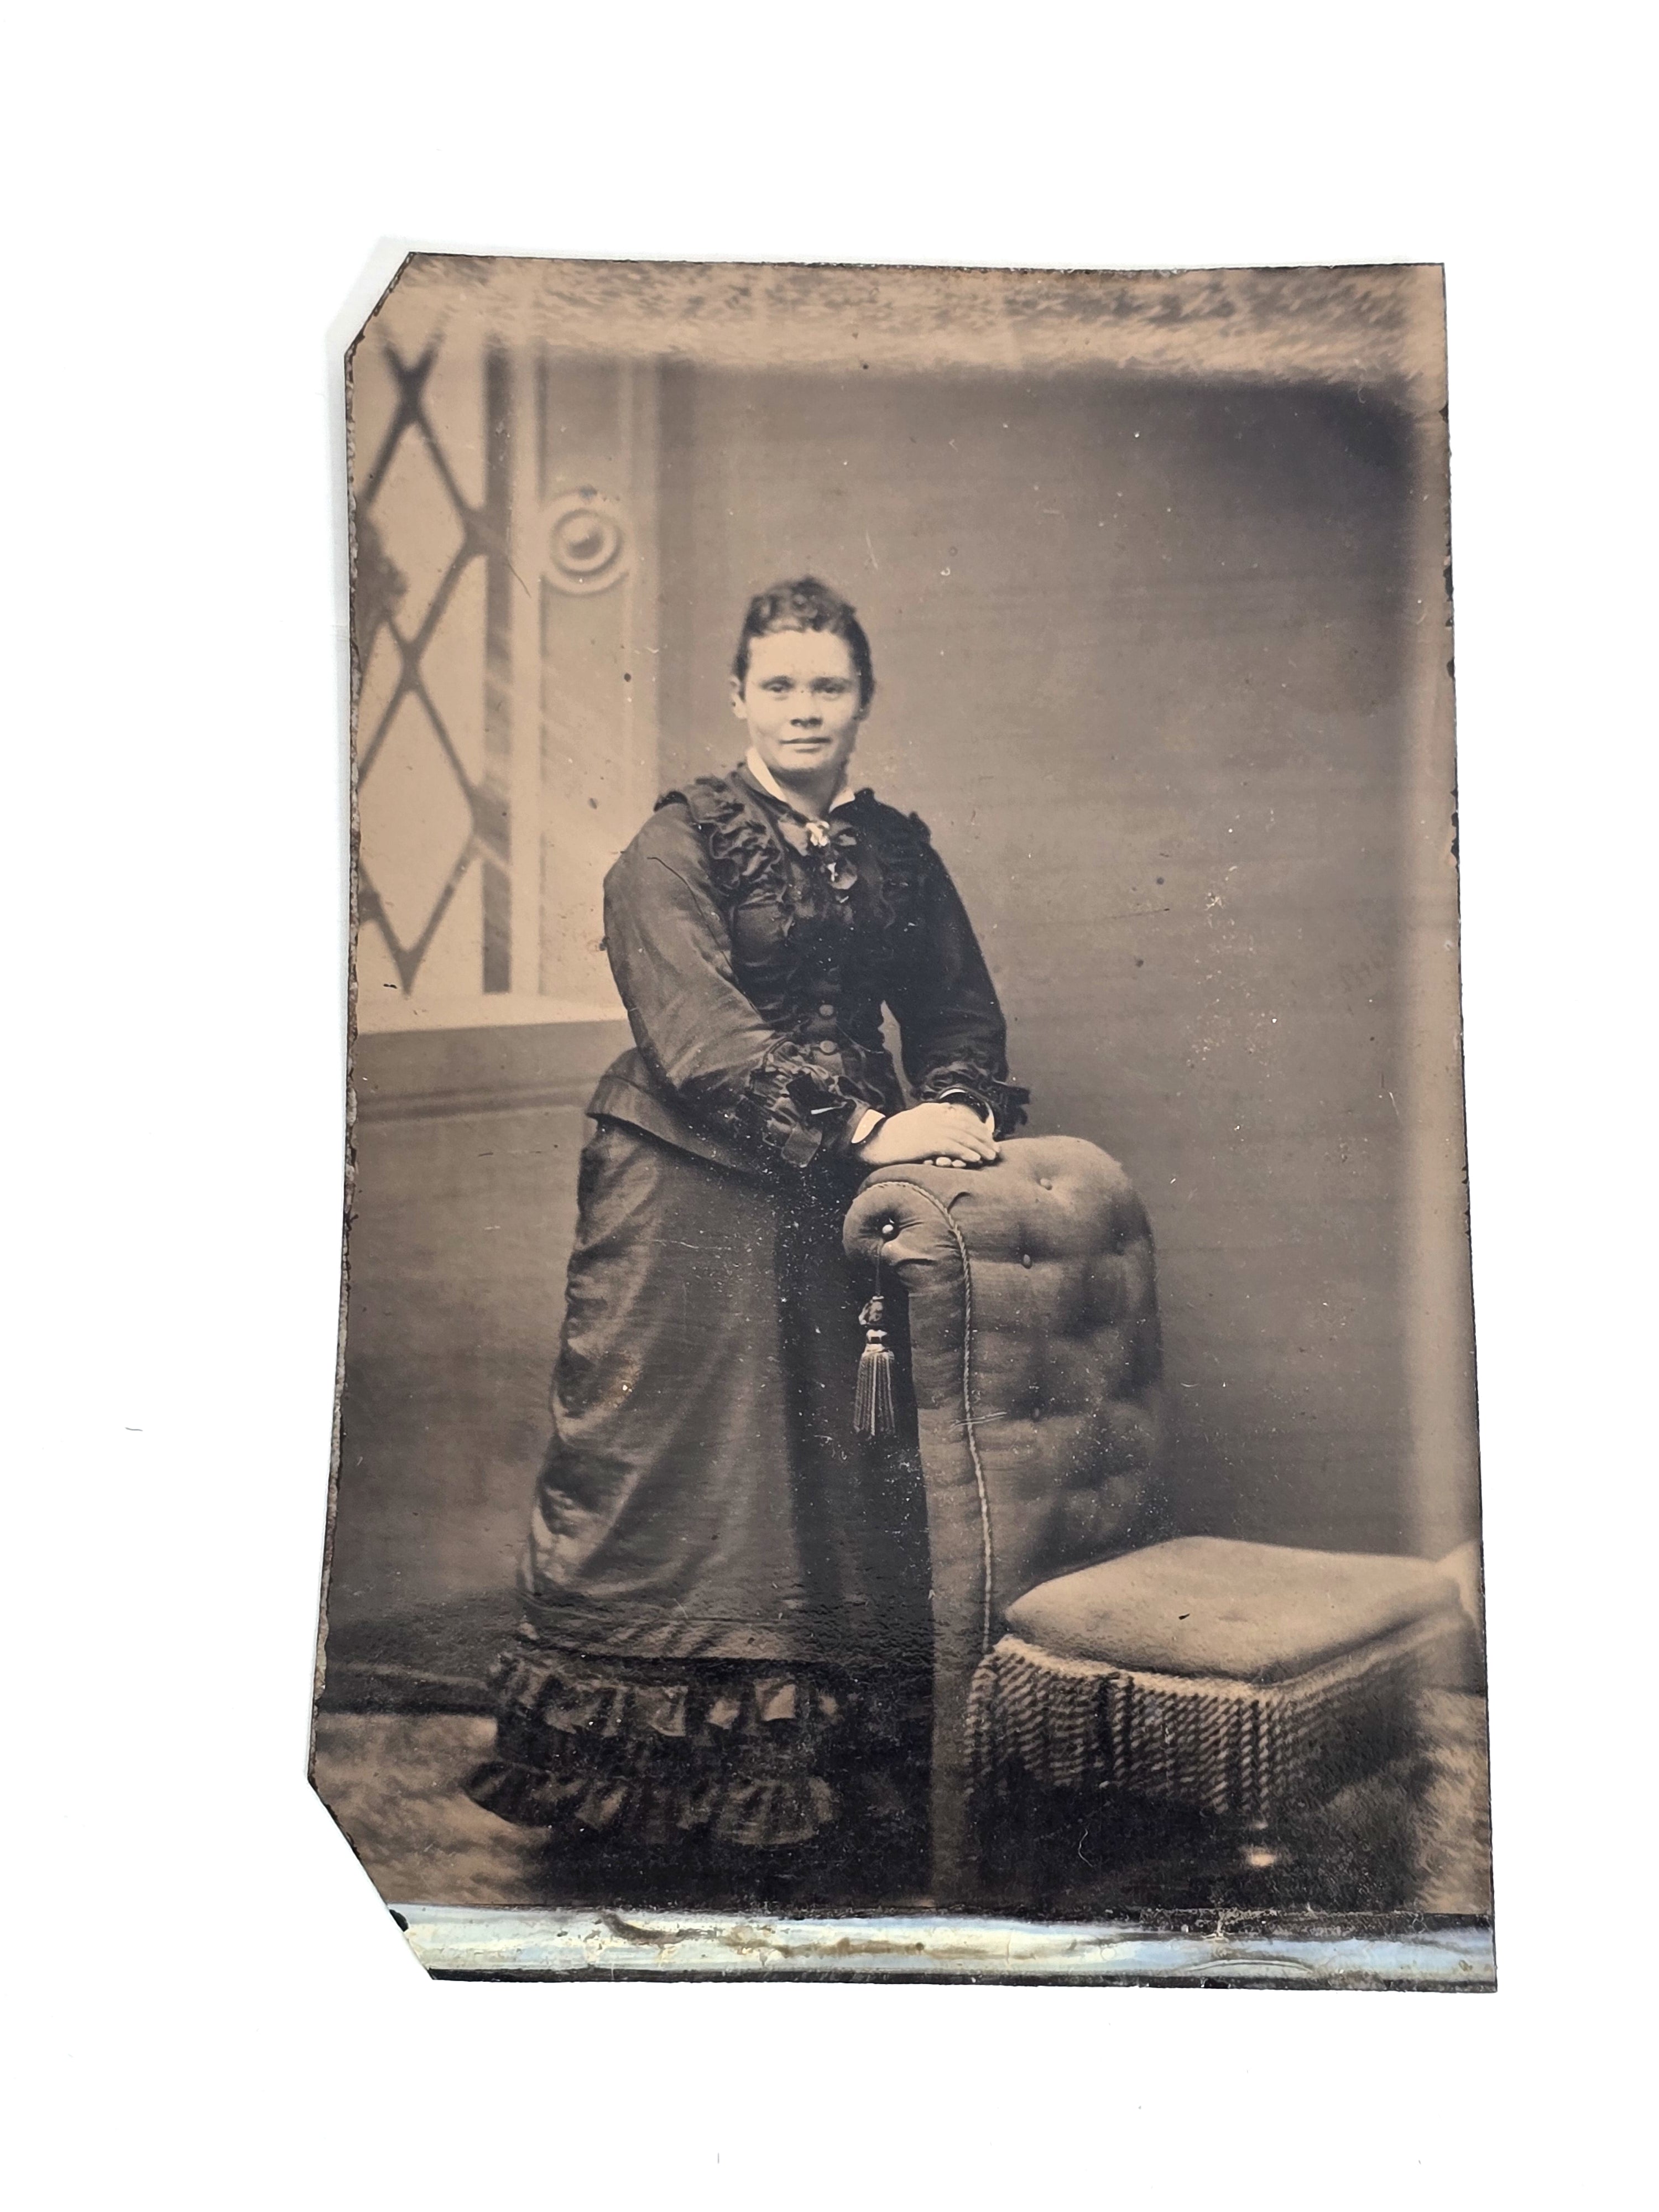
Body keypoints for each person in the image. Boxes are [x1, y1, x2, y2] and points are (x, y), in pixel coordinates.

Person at [466, 577, 1026, 1902]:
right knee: (689, 1480)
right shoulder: (679, 843)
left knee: (830, 1478)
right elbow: (701, 1033)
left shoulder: (898, 850)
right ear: (737, 697)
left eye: (827, 685)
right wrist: (871, 1128)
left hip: (834, 1198)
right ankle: (651, 1819)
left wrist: (951, 1098)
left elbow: (958, 1007)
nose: (803, 709)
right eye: (778, 684)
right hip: (685, 1191)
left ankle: (820, 1795)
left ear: (863, 701)